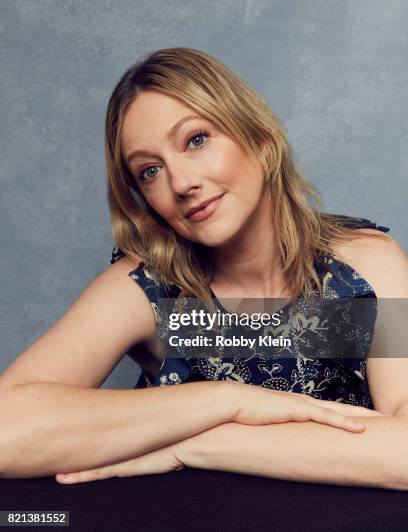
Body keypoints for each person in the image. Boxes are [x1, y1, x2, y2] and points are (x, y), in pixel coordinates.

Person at [1, 48, 407, 491]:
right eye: (150, 170)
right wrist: (227, 401)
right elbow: (8, 432)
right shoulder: (150, 289)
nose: (181, 183)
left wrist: (196, 445)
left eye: (196, 140)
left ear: (260, 139)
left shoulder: (364, 265)